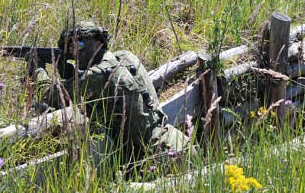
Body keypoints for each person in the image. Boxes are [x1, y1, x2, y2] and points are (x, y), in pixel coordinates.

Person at [30, 21, 190, 166]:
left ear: (98, 41)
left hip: (159, 159)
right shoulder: (126, 58)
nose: (75, 52)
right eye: (71, 48)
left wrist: (37, 69)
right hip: (178, 143)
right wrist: (69, 71)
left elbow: (49, 95)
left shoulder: (99, 74)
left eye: (80, 44)